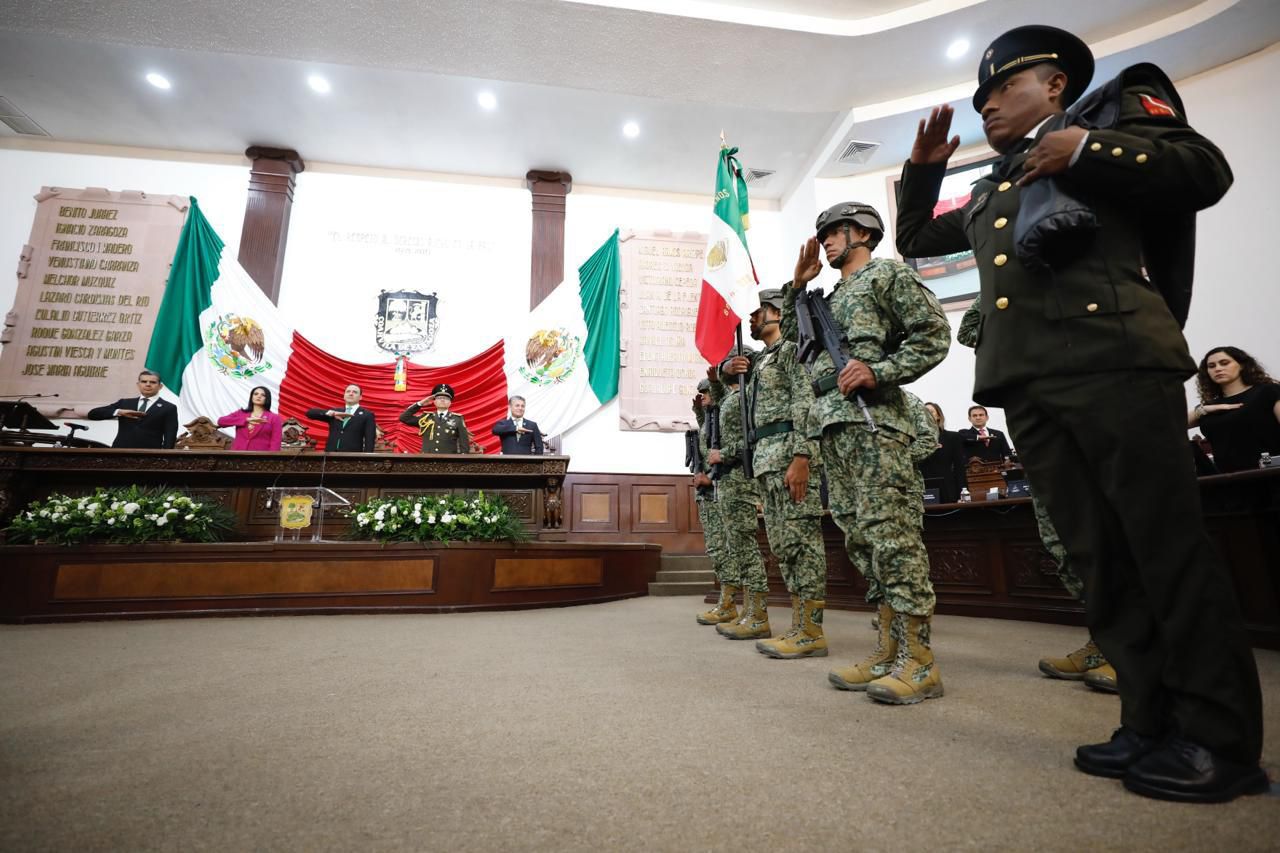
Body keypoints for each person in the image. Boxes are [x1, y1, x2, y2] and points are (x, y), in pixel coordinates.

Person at [897, 24, 1264, 801]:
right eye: (982, 96)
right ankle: (1149, 719)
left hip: (1115, 358)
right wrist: (923, 172)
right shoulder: (1000, 179)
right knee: (1100, 560)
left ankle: (1219, 739)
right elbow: (916, 241)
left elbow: (1205, 169)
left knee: (1166, 549)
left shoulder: (1113, 116)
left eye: (1001, 88)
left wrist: (1088, 154)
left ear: (1054, 83)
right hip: (1028, 383)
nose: (987, 104)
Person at [784, 200, 951, 705]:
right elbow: (801, 351)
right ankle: (888, 650)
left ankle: (921, 662)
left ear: (863, 232)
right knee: (863, 543)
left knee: (893, 540)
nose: (828, 241)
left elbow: (935, 335)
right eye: (827, 234)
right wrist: (797, 289)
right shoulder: (828, 296)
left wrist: (882, 370)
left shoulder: (888, 276)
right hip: (835, 430)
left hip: (875, 424)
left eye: (835, 232)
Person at [958, 298, 1115, 689]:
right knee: (1063, 545)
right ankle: (1105, 639)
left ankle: (1134, 646)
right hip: (1039, 435)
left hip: (1088, 418)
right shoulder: (999, 295)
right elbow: (966, 332)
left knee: (1107, 541)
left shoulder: (1078, 282)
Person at [727, 287, 827, 658]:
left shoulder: (792, 351)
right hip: (767, 460)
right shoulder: (764, 361)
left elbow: (806, 400)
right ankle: (799, 626)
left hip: (789, 455)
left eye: (757, 313)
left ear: (775, 312)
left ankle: (812, 631)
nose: (751, 320)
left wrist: (803, 455)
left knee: (803, 543)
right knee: (785, 545)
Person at [707, 354, 772, 641]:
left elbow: (753, 435)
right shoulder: (729, 397)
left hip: (741, 479)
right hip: (728, 481)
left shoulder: (749, 393)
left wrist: (726, 453)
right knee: (736, 546)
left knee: (745, 546)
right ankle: (749, 611)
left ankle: (758, 614)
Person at [691, 377, 742, 626]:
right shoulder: (709, 418)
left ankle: (729, 604)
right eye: (701, 393)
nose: (703, 396)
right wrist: (699, 413)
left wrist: (709, 479)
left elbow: (721, 451)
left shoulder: (724, 418)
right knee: (715, 548)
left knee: (722, 548)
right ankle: (726, 602)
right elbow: (705, 446)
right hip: (706, 492)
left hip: (717, 489)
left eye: (706, 393)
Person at [1188, 346, 1280, 473]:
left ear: (1242, 365)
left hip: (1269, 475)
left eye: (1224, 363)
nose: (1218, 368)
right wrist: (1202, 410)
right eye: (1211, 366)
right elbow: (1168, 427)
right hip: (1227, 481)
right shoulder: (1210, 407)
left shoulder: (1268, 391)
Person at [87, 369, 179, 449]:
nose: (148, 385)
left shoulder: (169, 408)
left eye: (153, 382)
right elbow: (93, 414)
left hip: (150, 455)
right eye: (144, 381)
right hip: (119, 452)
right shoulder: (125, 403)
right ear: (138, 384)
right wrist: (120, 412)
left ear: (160, 386)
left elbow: (170, 436)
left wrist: (165, 457)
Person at [917, 401, 967, 503]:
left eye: (930, 412)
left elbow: (959, 468)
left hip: (948, 490)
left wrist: (963, 493)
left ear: (939, 416)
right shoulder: (914, 439)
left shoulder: (953, 437)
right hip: (922, 491)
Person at [400, 383, 469, 454]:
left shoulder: (457, 419)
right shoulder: (426, 418)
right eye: (439, 398)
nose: (442, 400)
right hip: (427, 460)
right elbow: (404, 418)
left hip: (449, 461)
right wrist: (420, 404)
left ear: (450, 402)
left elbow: (464, 444)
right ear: (434, 402)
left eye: (446, 398)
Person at [306, 384, 377, 452]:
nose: (351, 394)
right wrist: (332, 413)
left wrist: (366, 459)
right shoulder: (335, 412)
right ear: (344, 395)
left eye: (355, 392)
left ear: (360, 397)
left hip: (353, 457)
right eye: (348, 391)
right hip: (330, 454)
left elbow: (369, 440)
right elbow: (310, 413)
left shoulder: (367, 414)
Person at [217, 386, 283, 451]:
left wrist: (271, 459)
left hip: (261, 457)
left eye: (263, 395)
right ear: (251, 397)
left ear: (267, 399)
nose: (259, 396)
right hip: (237, 455)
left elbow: (276, 442)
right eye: (256, 394)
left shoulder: (274, 418)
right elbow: (221, 421)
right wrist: (246, 420)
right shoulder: (240, 413)